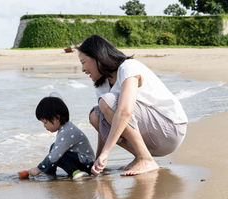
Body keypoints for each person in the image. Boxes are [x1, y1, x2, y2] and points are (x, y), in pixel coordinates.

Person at [77, 35, 188, 176]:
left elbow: (125, 111)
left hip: (170, 130)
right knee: (95, 115)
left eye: (83, 62)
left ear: (97, 57)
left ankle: (145, 158)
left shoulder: (128, 67)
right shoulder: (102, 85)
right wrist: (98, 160)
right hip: (151, 139)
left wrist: (106, 152)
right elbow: (103, 124)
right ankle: (141, 156)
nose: (82, 69)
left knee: (107, 102)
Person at [28, 96, 95, 180]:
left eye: (45, 122)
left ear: (57, 118)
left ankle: (76, 172)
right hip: (81, 161)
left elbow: (55, 155)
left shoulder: (67, 131)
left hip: (87, 164)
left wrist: (39, 168)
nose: (44, 126)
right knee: (54, 147)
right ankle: (49, 171)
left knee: (58, 154)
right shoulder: (65, 128)